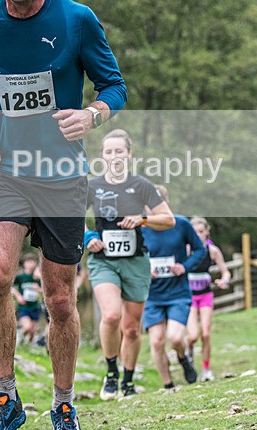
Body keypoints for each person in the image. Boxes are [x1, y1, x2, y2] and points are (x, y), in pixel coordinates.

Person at [0, 0, 126, 430]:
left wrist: (91, 115)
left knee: (58, 298)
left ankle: (63, 400)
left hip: (62, 175)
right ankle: (6, 398)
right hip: (4, 172)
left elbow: (114, 85)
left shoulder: (77, 19)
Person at [84, 130, 175, 400]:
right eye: (109, 152)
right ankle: (111, 374)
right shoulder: (92, 186)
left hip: (135, 261)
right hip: (104, 261)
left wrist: (142, 219)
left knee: (132, 327)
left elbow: (168, 219)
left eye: (119, 151)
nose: (114, 156)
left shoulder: (141, 185)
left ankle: (128, 379)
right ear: (103, 156)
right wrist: (89, 236)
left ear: (129, 154)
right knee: (111, 316)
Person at [141, 186, 206, 390]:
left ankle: (183, 357)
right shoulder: (139, 228)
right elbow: (132, 258)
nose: (151, 209)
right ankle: (168, 385)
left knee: (175, 337)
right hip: (152, 294)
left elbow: (200, 250)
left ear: (165, 203)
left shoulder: (181, 224)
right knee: (157, 342)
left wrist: (184, 266)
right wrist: (144, 270)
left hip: (177, 292)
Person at [186, 216, 231, 382]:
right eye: (194, 232)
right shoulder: (185, 250)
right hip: (189, 297)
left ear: (207, 232)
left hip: (205, 295)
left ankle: (206, 370)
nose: (198, 235)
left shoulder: (212, 251)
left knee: (205, 334)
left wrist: (223, 280)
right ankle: (188, 352)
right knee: (192, 336)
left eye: (201, 232)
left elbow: (225, 271)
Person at [12, 253, 42, 345]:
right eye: (28, 262)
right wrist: (18, 296)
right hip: (23, 307)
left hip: (35, 307)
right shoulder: (20, 277)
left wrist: (39, 289)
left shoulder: (38, 277)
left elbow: (46, 290)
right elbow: (10, 287)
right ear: (24, 264)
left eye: (32, 262)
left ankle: (28, 346)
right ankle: (20, 339)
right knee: (28, 327)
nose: (30, 264)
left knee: (32, 331)